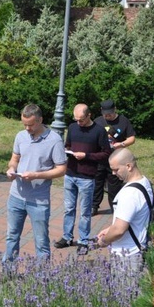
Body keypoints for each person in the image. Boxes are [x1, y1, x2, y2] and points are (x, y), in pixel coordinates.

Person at [3, 104, 67, 261]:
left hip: (39, 200)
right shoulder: (21, 136)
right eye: (24, 124)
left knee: (41, 242)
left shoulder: (55, 140)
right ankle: (8, 272)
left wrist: (37, 175)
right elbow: (15, 158)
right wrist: (11, 169)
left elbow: (61, 169)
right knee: (12, 236)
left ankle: (42, 279)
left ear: (40, 120)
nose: (27, 128)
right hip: (16, 196)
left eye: (30, 125)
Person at [55, 104, 112, 255]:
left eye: (81, 120)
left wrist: (86, 156)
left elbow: (106, 153)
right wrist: (66, 151)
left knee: (85, 211)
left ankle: (83, 240)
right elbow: (68, 144)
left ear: (89, 115)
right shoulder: (72, 127)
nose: (78, 123)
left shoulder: (99, 131)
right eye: (76, 119)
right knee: (68, 209)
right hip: (71, 173)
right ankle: (67, 237)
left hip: (87, 176)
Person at [97, 148, 153, 280]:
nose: (113, 173)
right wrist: (110, 228)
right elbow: (131, 218)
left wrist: (104, 241)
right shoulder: (144, 183)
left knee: (125, 295)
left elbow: (119, 230)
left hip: (127, 254)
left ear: (129, 166)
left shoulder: (129, 194)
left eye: (116, 169)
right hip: (138, 248)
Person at [93, 99, 136, 215]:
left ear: (115, 109)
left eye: (110, 114)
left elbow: (132, 138)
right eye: (105, 114)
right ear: (101, 111)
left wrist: (121, 144)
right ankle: (94, 206)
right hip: (100, 157)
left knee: (114, 186)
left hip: (116, 158)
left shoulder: (123, 121)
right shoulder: (97, 121)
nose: (107, 116)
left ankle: (115, 207)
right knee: (97, 183)